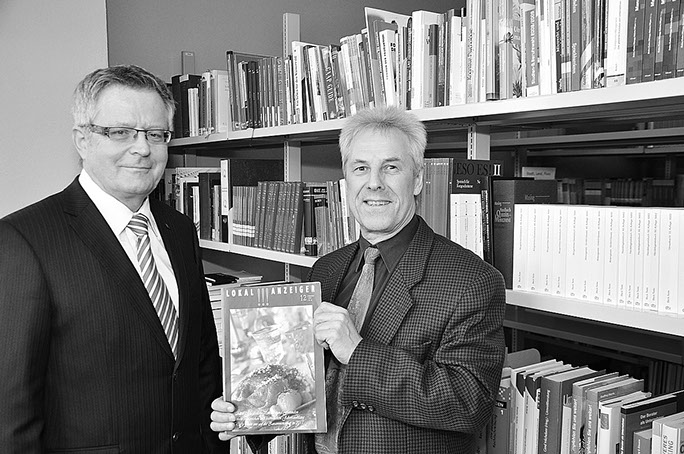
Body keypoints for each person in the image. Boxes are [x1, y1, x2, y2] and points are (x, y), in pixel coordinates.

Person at [210, 105, 507, 454]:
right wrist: (249, 414)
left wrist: (357, 351)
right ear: (346, 179)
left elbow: (470, 403)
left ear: (418, 179)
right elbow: (307, 384)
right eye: (361, 168)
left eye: (391, 167)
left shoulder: (471, 280)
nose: (374, 183)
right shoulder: (326, 269)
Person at [0, 65, 228, 453]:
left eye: (155, 134)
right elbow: (11, 412)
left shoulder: (179, 229)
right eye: (120, 132)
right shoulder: (24, 239)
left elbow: (201, 357)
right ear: (82, 140)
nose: (142, 148)